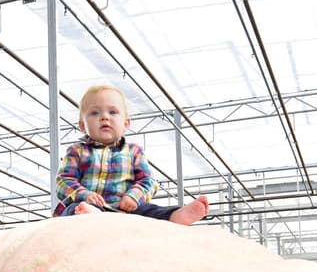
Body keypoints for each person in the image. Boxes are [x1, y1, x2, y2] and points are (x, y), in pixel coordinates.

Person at [54, 84, 210, 225]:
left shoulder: (134, 151)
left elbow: (148, 180)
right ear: (82, 125)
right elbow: (63, 181)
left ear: (126, 123)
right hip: (88, 205)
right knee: (72, 209)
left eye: (113, 112)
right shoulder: (77, 151)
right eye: (95, 113)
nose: (104, 117)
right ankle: (91, 215)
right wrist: (83, 194)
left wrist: (133, 196)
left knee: (151, 210)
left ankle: (175, 215)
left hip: (126, 209)